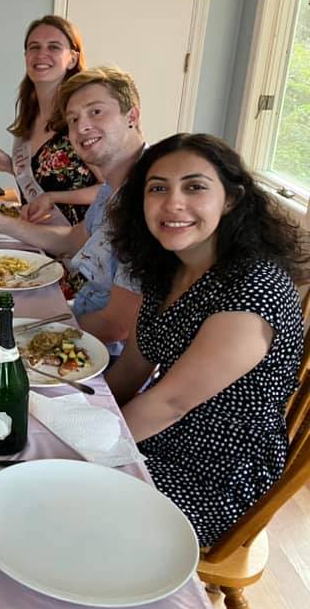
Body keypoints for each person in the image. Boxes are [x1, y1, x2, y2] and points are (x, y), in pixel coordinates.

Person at [105, 133, 307, 546]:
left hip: (217, 471)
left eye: (195, 186)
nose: (173, 203)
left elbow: (170, 404)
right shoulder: (168, 268)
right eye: (157, 188)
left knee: (65, 510)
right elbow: (130, 370)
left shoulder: (254, 291)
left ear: (230, 199)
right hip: (160, 433)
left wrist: (87, 452)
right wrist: (79, 422)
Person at [0, 66, 144, 350]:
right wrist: (0, 222)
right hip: (80, 313)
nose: (81, 127)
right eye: (73, 119)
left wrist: (26, 333)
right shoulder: (113, 187)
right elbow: (71, 240)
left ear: (131, 116)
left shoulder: (150, 196)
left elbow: (117, 326)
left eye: (96, 112)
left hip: (102, 353)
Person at [0, 16, 99, 225]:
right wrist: (10, 166)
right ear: (26, 56)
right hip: (36, 242)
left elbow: (113, 189)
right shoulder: (30, 114)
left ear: (72, 58)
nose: (41, 54)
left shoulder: (82, 118)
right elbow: (44, 180)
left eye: (53, 47)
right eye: (34, 47)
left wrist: (54, 198)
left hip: (79, 249)